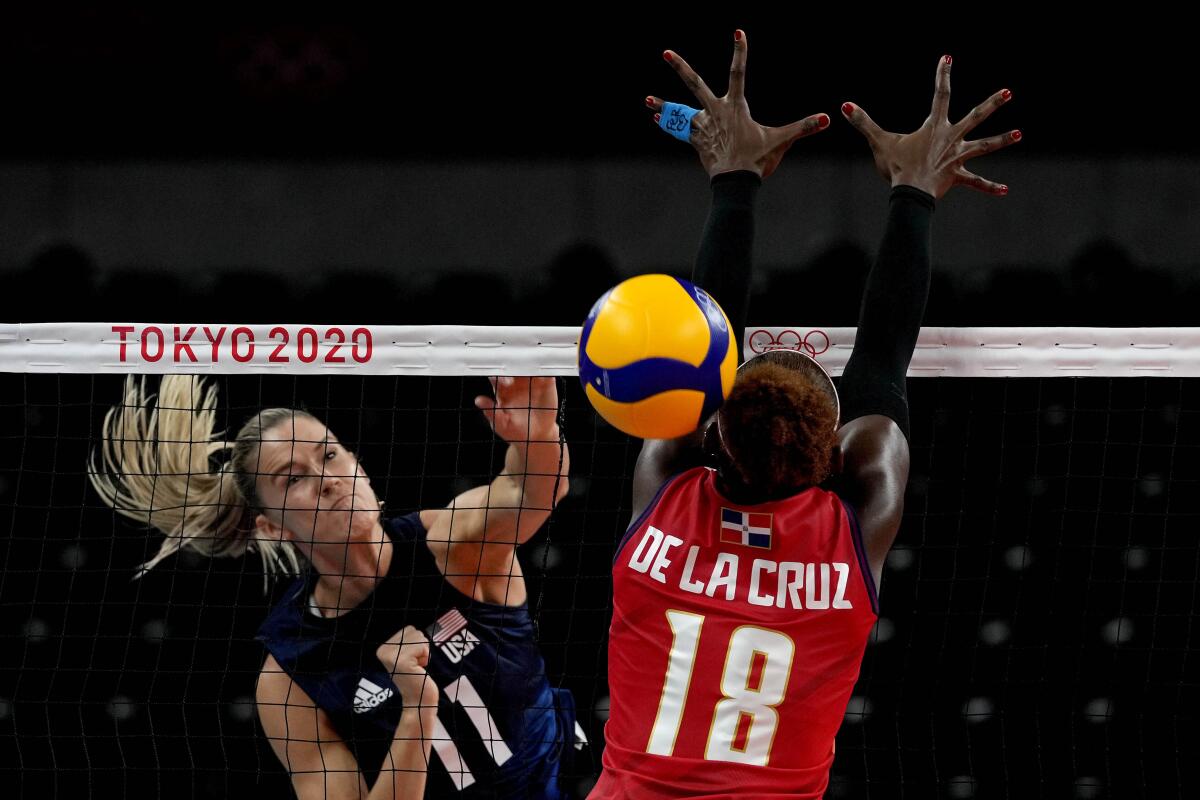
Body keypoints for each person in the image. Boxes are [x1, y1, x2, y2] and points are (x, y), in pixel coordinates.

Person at [591, 32, 1019, 799]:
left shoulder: (665, 501)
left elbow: (854, 362)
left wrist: (736, 180)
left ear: (714, 433)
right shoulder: (835, 539)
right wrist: (912, 191)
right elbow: (884, 362)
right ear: (833, 456)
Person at [89, 374, 577, 799]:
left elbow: (529, 490)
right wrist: (416, 709)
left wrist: (538, 436)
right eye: (293, 478)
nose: (328, 480)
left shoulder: (449, 547)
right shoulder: (290, 675)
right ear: (272, 527)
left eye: (330, 455)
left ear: (360, 467)